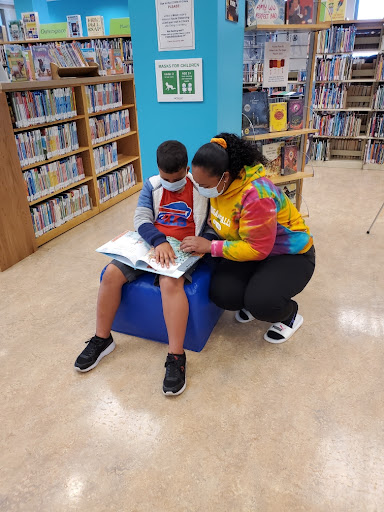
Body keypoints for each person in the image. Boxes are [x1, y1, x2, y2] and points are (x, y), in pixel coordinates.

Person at [74, 140, 213, 396]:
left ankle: (176, 357)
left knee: (169, 283)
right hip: (151, 243)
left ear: (186, 169)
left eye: (177, 178)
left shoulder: (200, 188)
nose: (171, 182)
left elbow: (212, 223)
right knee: (111, 274)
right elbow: (141, 219)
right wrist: (158, 240)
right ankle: (102, 339)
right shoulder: (152, 186)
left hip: (184, 247)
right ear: (158, 169)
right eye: (165, 177)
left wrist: (202, 242)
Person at [180, 133, 315, 344]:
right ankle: (256, 292)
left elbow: (258, 249)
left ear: (225, 176)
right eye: (196, 183)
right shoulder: (216, 187)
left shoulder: (256, 195)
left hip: (290, 255)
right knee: (223, 294)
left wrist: (210, 247)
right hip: (250, 249)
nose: (200, 189)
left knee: (262, 303)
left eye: (204, 185)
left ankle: (289, 315)